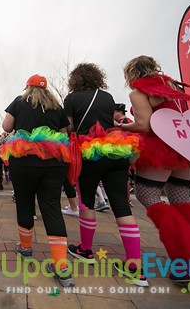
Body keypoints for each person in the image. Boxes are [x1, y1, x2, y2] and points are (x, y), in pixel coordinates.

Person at [122, 55, 190, 281]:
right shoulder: (173, 86)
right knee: (180, 200)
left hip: (162, 148)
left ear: (132, 73)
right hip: (188, 147)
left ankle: (188, 263)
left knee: (148, 195)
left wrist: (121, 125)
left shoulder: (139, 91)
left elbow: (143, 124)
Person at [63, 63, 147, 287]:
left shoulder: (71, 99)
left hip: (88, 153)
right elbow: (109, 122)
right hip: (115, 149)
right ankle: (134, 266)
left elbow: (70, 127)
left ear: (75, 80)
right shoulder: (107, 96)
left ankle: (85, 249)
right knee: (121, 205)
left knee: (86, 202)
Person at [0, 74, 74, 287]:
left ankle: (26, 248)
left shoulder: (19, 101)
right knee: (51, 206)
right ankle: (61, 267)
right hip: (54, 161)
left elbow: (6, 126)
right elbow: (63, 132)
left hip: (24, 159)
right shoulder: (56, 105)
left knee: (24, 201)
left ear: (27, 87)